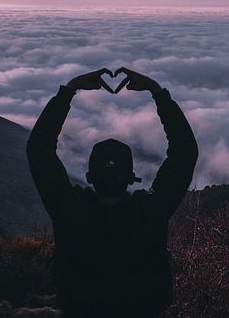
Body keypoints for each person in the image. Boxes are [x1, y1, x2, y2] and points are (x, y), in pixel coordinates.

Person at [26, 67, 198, 317]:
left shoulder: (70, 211)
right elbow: (184, 152)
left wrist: (70, 90)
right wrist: (157, 92)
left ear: (89, 177)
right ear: (131, 178)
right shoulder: (149, 213)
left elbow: (39, 149)